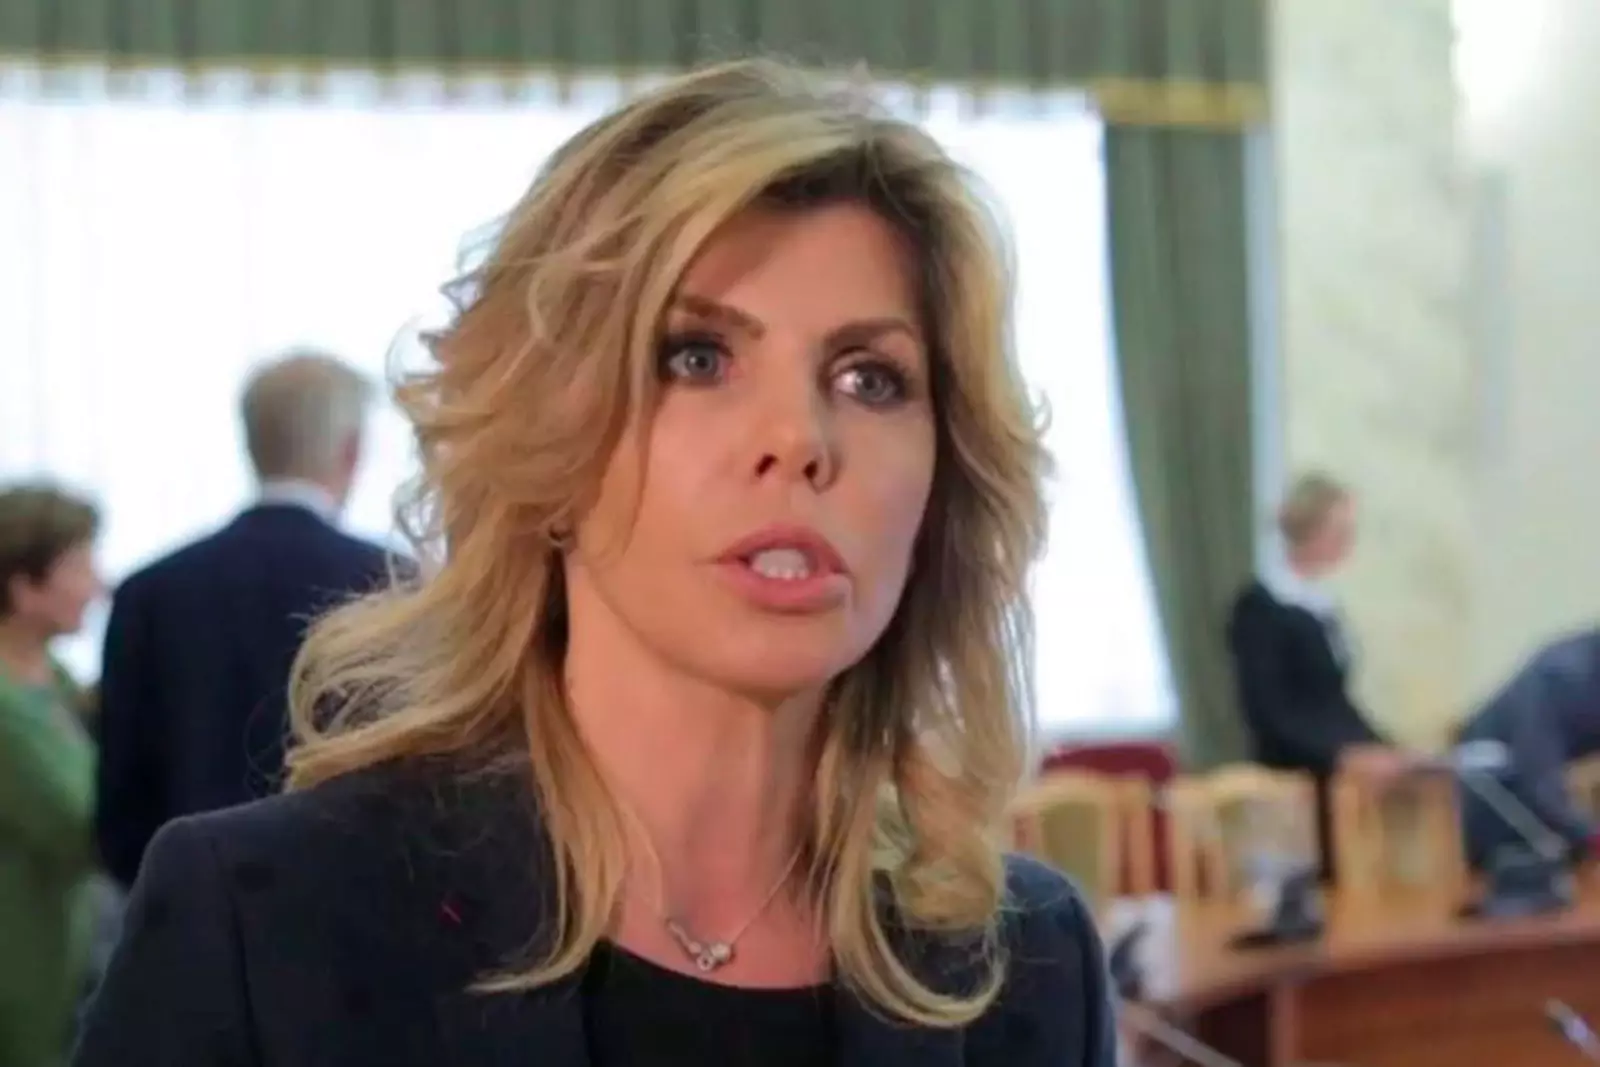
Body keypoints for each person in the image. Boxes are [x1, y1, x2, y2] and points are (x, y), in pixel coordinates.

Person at [73, 60, 1116, 1067]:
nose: (799, 438)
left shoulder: (1031, 968)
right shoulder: (260, 923)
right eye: (696, 357)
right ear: (548, 443)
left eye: (869, 378)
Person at [94, 351, 392, 888]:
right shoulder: (391, 585)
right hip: (353, 902)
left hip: (182, 904)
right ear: (351, 450)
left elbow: (119, 805)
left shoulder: (149, 592)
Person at [1227, 473, 1412, 877]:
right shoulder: (1260, 607)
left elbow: (1334, 701)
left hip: (1340, 785)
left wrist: (1384, 748)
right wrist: (1344, 755)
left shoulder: (1321, 605)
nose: (1349, 541)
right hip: (1291, 784)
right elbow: (1269, 711)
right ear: (1310, 530)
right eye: (1340, 530)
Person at [0, 484, 103, 1067]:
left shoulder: (55, 680)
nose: (97, 586)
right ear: (24, 585)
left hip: (61, 960)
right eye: (79, 567)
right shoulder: (6, 706)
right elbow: (80, 823)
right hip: (19, 973)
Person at [1456, 628, 1600, 869]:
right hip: (1491, 787)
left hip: (1543, 782)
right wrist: (1590, 837)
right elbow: (1539, 779)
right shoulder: (1559, 676)